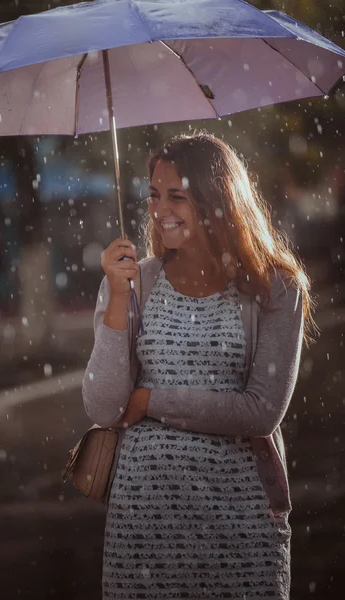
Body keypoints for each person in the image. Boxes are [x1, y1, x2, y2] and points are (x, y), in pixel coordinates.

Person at [82, 132, 316, 600]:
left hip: (240, 526)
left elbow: (261, 411)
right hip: (143, 528)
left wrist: (151, 401)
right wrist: (118, 300)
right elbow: (105, 408)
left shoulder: (276, 289)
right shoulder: (133, 282)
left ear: (218, 199)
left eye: (177, 197)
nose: (158, 209)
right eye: (153, 195)